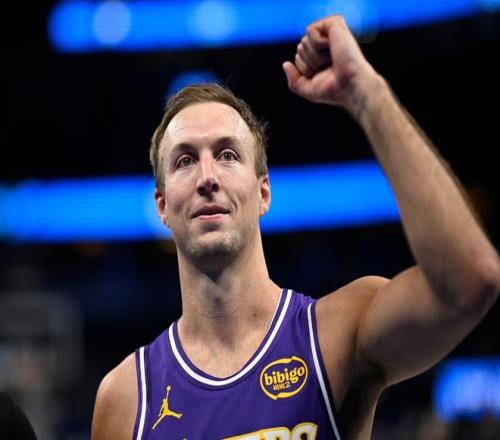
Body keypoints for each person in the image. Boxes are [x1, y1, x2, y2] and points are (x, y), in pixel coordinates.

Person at [91, 15, 500, 440]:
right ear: (161, 206)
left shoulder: (337, 332)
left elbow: (471, 280)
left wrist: (368, 94)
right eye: (185, 161)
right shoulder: (126, 399)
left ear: (263, 192)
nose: (207, 177)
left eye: (228, 155)